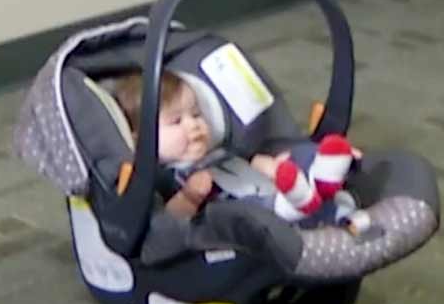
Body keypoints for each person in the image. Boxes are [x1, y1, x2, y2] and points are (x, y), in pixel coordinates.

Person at [109, 70, 369, 230]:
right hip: (245, 219)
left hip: (273, 190)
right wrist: (189, 199)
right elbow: (164, 226)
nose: (194, 125)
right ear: (140, 138)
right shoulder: (161, 175)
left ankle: (333, 173)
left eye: (196, 114)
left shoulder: (220, 151)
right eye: (176, 121)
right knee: (253, 211)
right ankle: (316, 204)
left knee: (299, 155)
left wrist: (273, 166)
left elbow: (249, 163)